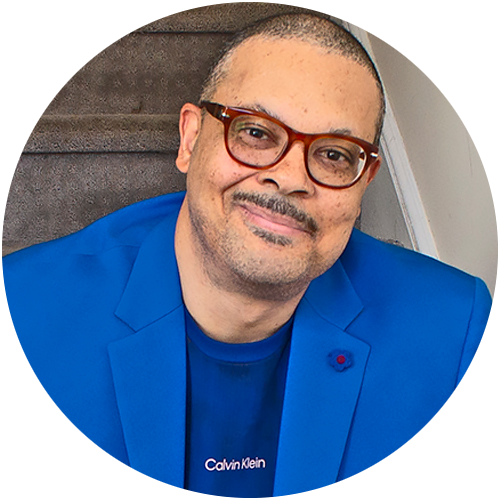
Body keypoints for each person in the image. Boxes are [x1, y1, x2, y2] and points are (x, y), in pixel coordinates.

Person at [2, 12, 493, 500]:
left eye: (334, 154)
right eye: (256, 133)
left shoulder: (453, 327)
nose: (291, 178)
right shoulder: (19, 315)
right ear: (190, 140)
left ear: (364, 182)